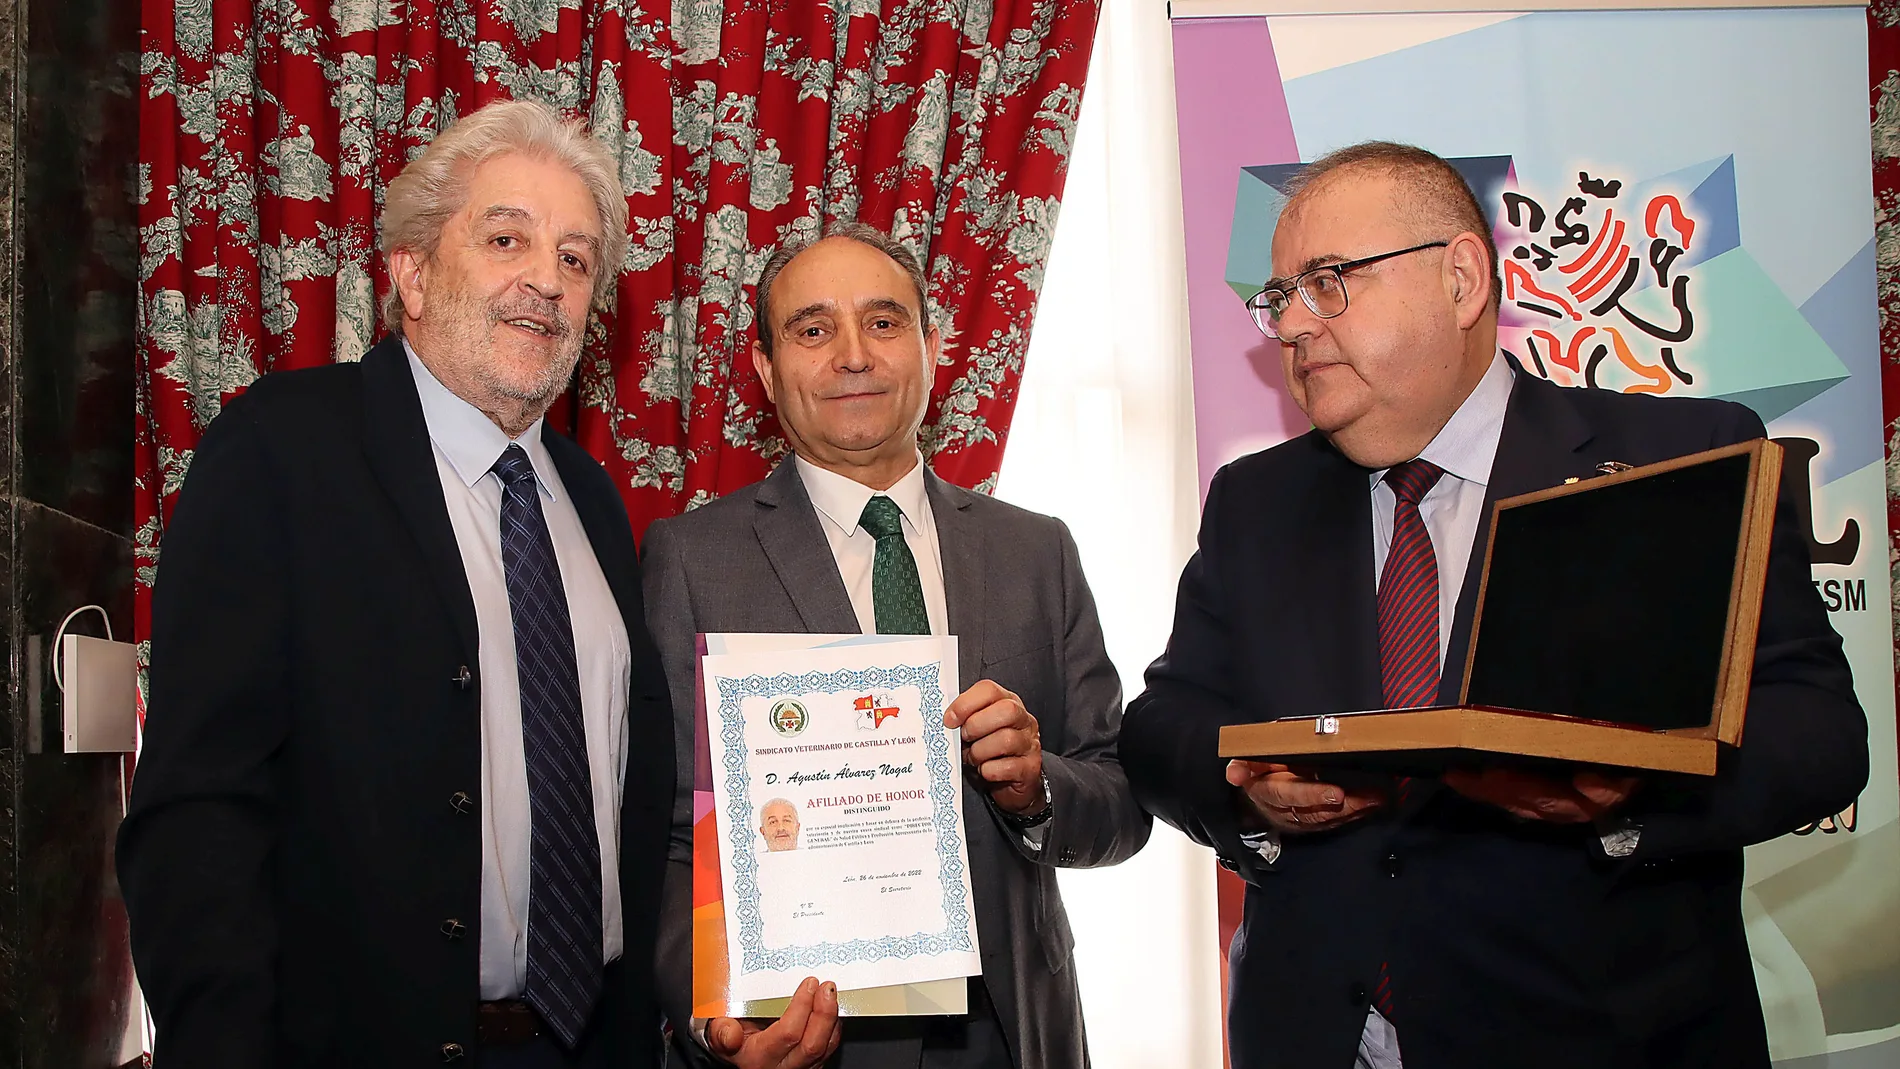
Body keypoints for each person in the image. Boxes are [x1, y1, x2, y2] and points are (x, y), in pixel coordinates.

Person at [1119, 141, 1868, 1069]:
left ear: (1462, 279)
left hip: (1600, 1037)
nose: (1291, 327)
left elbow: (1820, 732)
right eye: (1278, 298)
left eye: (1326, 282)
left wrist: (1632, 791)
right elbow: (1162, 728)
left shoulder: (1678, 457)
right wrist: (1244, 784)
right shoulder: (1255, 500)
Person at [117, 99, 675, 1067]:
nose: (546, 279)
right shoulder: (277, 453)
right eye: (508, 238)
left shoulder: (593, 503)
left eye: (577, 260)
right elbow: (197, 821)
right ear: (410, 273)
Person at [643, 222, 1152, 1069]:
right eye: (813, 329)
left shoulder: (1037, 551)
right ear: (768, 370)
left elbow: (1123, 800)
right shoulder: (694, 559)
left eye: (882, 322)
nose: (853, 355)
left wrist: (1036, 788)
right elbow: (668, 837)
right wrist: (712, 1016)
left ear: (932, 345)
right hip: (813, 1042)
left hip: (1015, 1032)